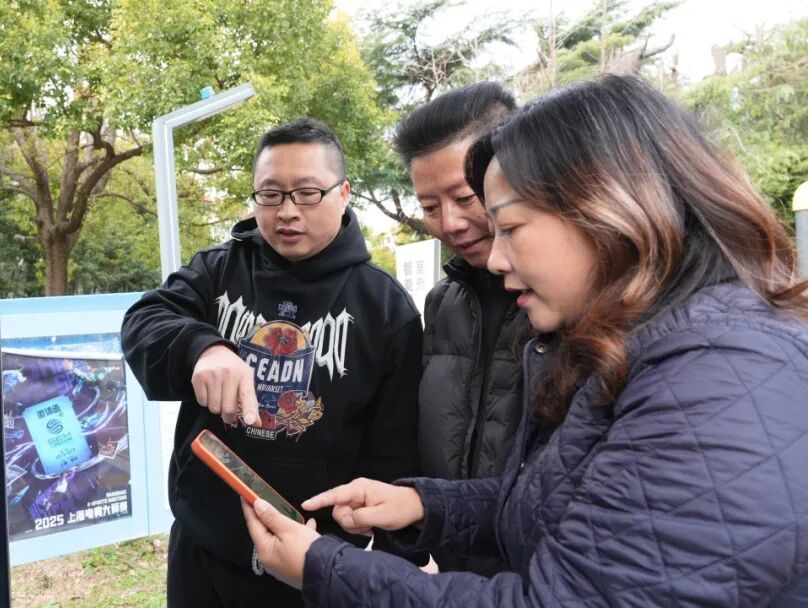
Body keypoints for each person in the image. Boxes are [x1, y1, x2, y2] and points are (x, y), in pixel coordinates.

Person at [241, 75, 808, 606]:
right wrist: (426, 504)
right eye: (431, 207)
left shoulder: (716, 374)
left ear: (610, 206)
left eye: (508, 226)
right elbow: (563, 501)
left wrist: (323, 567)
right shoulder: (645, 343)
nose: (494, 256)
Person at [122, 117, 423, 607]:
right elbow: (144, 322)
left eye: (306, 193)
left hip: (313, 563)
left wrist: (386, 564)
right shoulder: (217, 270)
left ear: (344, 193)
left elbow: (396, 452)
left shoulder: (385, 308)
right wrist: (201, 347)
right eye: (270, 194)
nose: (287, 211)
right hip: (204, 547)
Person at [394, 82, 528, 574]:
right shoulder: (442, 303)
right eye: (430, 208)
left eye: (465, 198)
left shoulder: (568, 303)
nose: (449, 224)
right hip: (455, 569)